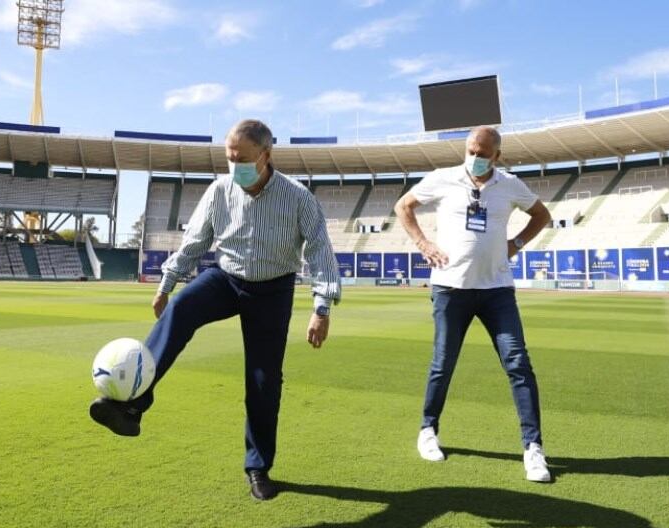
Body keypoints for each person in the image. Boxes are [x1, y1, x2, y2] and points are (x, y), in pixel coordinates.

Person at [89, 119, 341, 500]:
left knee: (263, 380)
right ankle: (131, 406)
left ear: (266, 155)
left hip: (272, 289)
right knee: (181, 310)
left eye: (241, 158)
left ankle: (258, 468)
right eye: (229, 158)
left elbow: (320, 252)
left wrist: (321, 308)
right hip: (226, 277)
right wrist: (167, 284)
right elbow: (195, 241)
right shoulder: (220, 190)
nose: (233, 165)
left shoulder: (298, 197)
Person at [394, 126, 553, 482]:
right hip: (451, 288)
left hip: (497, 289)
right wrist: (424, 245)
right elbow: (403, 206)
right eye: (470, 150)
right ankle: (428, 430)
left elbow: (542, 216)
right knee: (443, 363)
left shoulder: (510, 184)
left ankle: (533, 448)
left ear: (497, 156)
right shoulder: (443, 179)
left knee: (518, 363)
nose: (475, 158)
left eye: (483, 153)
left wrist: (516, 244)